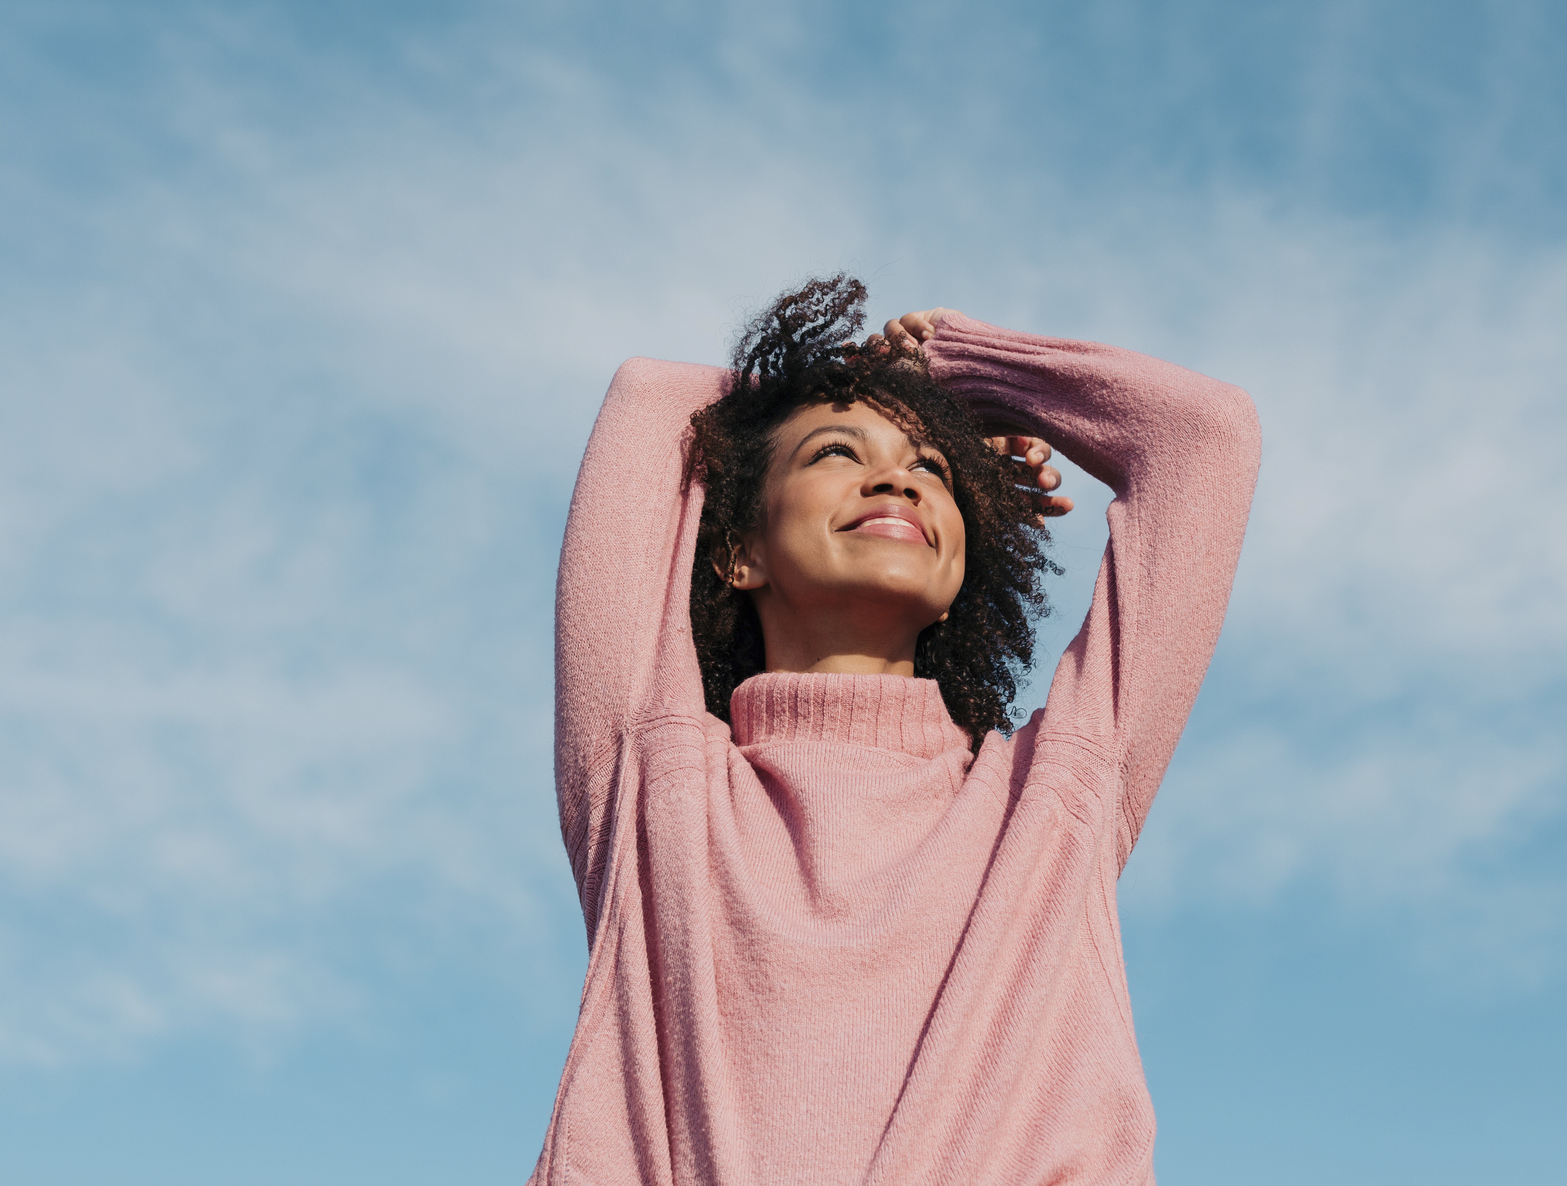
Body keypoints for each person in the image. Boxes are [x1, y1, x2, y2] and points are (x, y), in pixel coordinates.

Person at [533, 276, 1260, 1185]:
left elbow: (1203, 436)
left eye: (933, 470)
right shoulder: (651, 777)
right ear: (737, 551)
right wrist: (864, 385)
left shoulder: (1052, 800)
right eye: (837, 452)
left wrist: (957, 369)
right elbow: (651, 397)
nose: (894, 477)